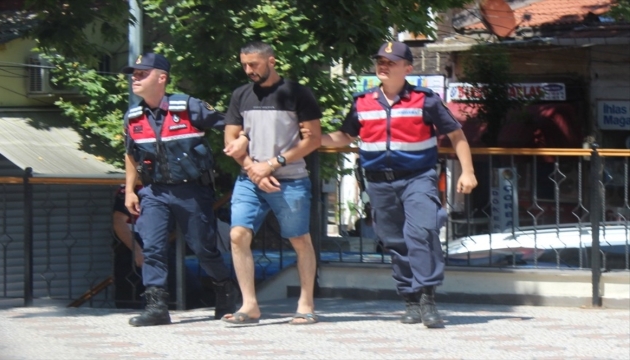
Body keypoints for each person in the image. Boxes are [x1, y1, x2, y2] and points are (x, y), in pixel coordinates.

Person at [320, 41, 478, 328]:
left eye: (391, 62)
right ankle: (410, 300)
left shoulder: (425, 100)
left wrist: (467, 171)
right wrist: (311, 139)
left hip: (418, 178)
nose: (383, 65)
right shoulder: (362, 102)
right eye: (380, 60)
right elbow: (344, 136)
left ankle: (428, 300)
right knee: (395, 243)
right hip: (379, 183)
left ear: (408, 68)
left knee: (422, 233)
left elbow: (456, 135)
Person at [121, 53, 246, 326]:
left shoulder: (189, 107)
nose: (135, 78)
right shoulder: (133, 117)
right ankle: (156, 307)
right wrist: (131, 190)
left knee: (203, 248)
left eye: (143, 73)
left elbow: (231, 125)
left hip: (191, 191)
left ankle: (225, 289)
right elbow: (131, 155)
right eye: (134, 73)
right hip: (154, 191)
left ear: (162, 78)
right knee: (152, 246)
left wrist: (243, 140)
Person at [221, 41, 322, 325]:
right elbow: (230, 140)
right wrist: (254, 169)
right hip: (250, 179)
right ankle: (249, 305)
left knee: (300, 240)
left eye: (254, 64)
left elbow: (313, 139)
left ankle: (305, 304)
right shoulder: (240, 95)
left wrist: (273, 164)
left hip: (290, 180)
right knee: (238, 235)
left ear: (271, 61)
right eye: (244, 65)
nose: (248, 70)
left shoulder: (298, 93)